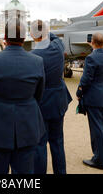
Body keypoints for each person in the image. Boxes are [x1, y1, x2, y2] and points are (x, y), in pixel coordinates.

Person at [0, 17, 45, 174]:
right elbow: (39, 94)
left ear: (5, 38)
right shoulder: (37, 61)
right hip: (27, 123)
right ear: (24, 38)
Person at [30, 20, 72, 174]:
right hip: (58, 100)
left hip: (41, 102)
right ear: (47, 33)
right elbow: (56, 38)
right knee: (57, 142)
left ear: (32, 35)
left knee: (40, 144)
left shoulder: (33, 55)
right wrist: (46, 31)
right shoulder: (58, 46)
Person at [76, 32, 103, 170]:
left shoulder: (91, 58)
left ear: (92, 42)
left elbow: (86, 79)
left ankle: (99, 159)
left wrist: (79, 92)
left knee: (97, 127)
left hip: (93, 95)